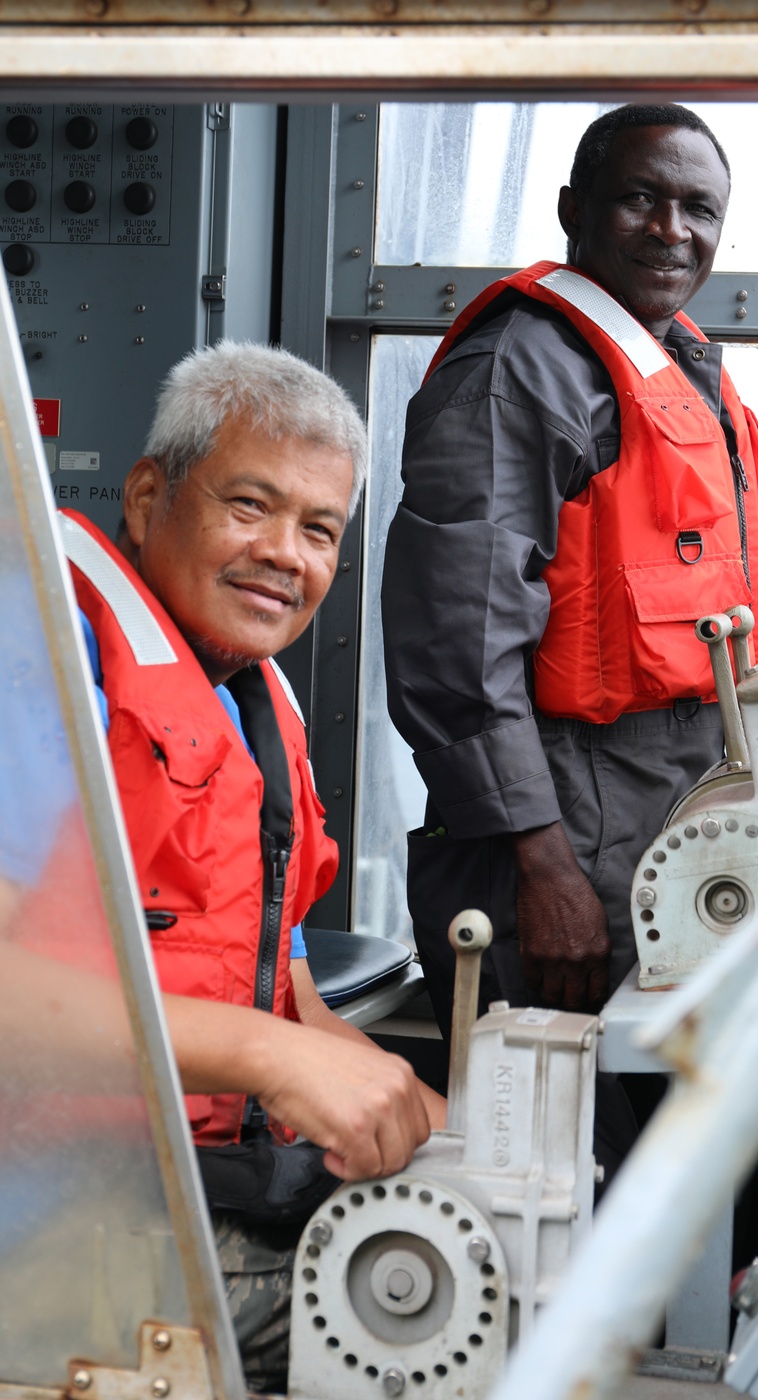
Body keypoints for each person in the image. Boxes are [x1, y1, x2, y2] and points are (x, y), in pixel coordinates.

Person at [48, 341, 446, 1390]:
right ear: (147, 496)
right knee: (423, 1332)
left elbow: (283, 985)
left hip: (178, 1180)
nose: (286, 553)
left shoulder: (252, 703)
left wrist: (422, 1117)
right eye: (249, 505)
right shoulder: (34, 651)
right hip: (43, 1210)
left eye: (319, 528)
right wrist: (278, 1060)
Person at [381, 105, 758, 1056]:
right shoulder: (516, 370)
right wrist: (545, 868)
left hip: (670, 821)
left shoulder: (675, 366)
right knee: (569, 1163)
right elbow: (455, 646)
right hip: (564, 839)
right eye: (639, 198)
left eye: (699, 209)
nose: (670, 230)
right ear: (574, 208)